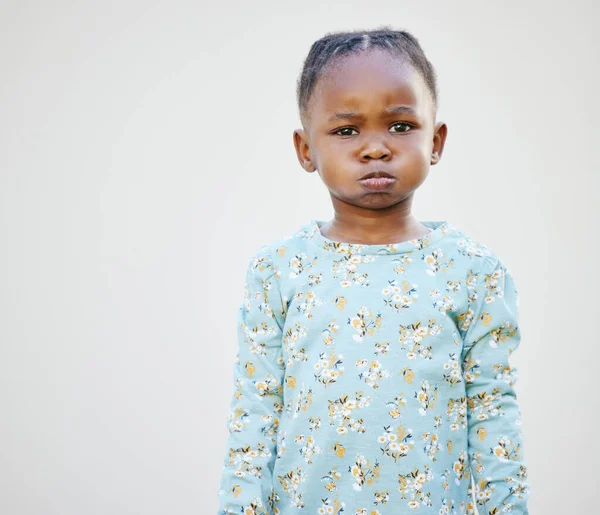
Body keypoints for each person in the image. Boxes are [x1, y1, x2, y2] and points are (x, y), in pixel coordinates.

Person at [215, 26, 530, 515]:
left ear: (436, 141)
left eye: (401, 126)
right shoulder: (278, 272)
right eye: (346, 130)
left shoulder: (474, 272)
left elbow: (493, 419)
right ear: (305, 149)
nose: (376, 148)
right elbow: (254, 418)